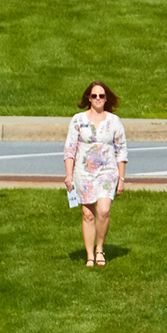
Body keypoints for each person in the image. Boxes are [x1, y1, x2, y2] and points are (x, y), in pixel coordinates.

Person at [63, 81, 128, 267]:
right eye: (94, 96)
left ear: (106, 98)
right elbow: (70, 149)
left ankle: (100, 249)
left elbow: (121, 150)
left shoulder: (114, 121)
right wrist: (69, 174)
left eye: (101, 95)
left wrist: (121, 179)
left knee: (104, 210)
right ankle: (90, 255)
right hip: (84, 172)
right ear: (88, 99)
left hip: (108, 172)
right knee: (87, 214)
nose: (98, 99)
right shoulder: (78, 120)